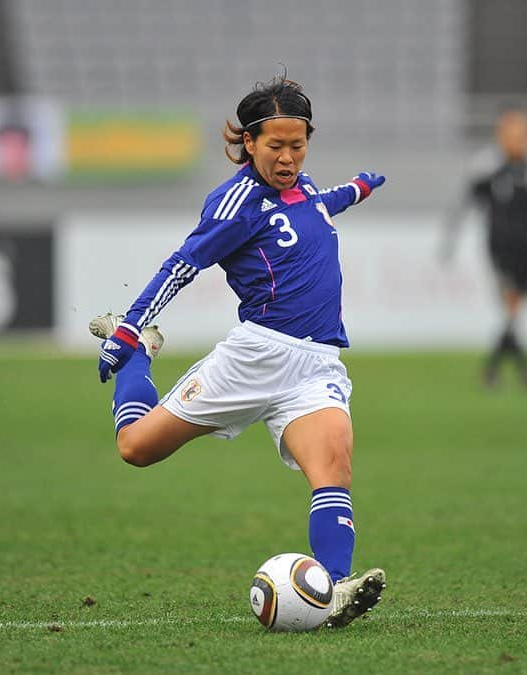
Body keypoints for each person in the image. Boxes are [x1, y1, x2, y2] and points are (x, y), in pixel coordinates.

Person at [90, 77, 386, 628]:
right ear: (249, 142)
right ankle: (140, 360)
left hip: (316, 363)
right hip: (255, 358)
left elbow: (317, 208)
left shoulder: (304, 186)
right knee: (136, 448)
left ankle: (334, 589)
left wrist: (356, 190)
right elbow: (184, 263)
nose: (288, 157)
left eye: (298, 144)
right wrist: (130, 329)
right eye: (275, 145)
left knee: (333, 470)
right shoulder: (235, 202)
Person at [439, 107, 527, 391]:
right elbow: (463, 204)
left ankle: (495, 369)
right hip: (498, 245)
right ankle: (524, 372)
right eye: (512, 134)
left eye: (523, 134)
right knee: (511, 303)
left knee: (513, 312)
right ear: (501, 136)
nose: (518, 140)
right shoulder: (487, 167)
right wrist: (451, 239)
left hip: (525, 247)